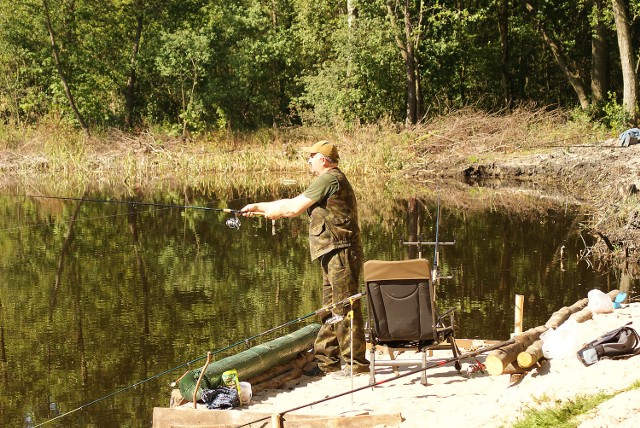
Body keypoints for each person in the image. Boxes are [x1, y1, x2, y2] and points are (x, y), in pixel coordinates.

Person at [241, 140, 369, 377]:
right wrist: (258, 207)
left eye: (311, 156)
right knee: (330, 309)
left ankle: (357, 366)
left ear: (323, 159)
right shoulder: (327, 180)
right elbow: (291, 202)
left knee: (344, 307)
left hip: (340, 250)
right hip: (332, 251)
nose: (308, 160)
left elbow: (293, 209)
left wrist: (276, 214)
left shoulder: (330, 178)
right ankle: (328, 362)